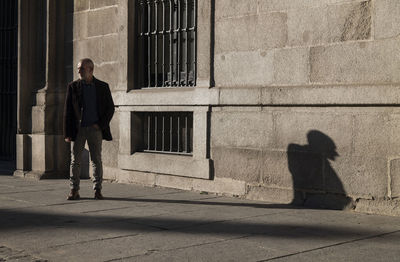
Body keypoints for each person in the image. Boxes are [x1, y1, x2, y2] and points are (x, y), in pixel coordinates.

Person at [63, 58, 115, 200]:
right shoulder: (73, 86)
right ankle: (74, 190)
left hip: (95, 129)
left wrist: (100, 125)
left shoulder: (102, 87)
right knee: (75, 161)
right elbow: (68, 111)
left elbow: (110, 108)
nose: (78, 71)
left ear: (91, 70)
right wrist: (68, 133)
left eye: (82, 68)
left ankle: (97, 189)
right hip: (78, 130)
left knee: (96, 159)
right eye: (78, 68)